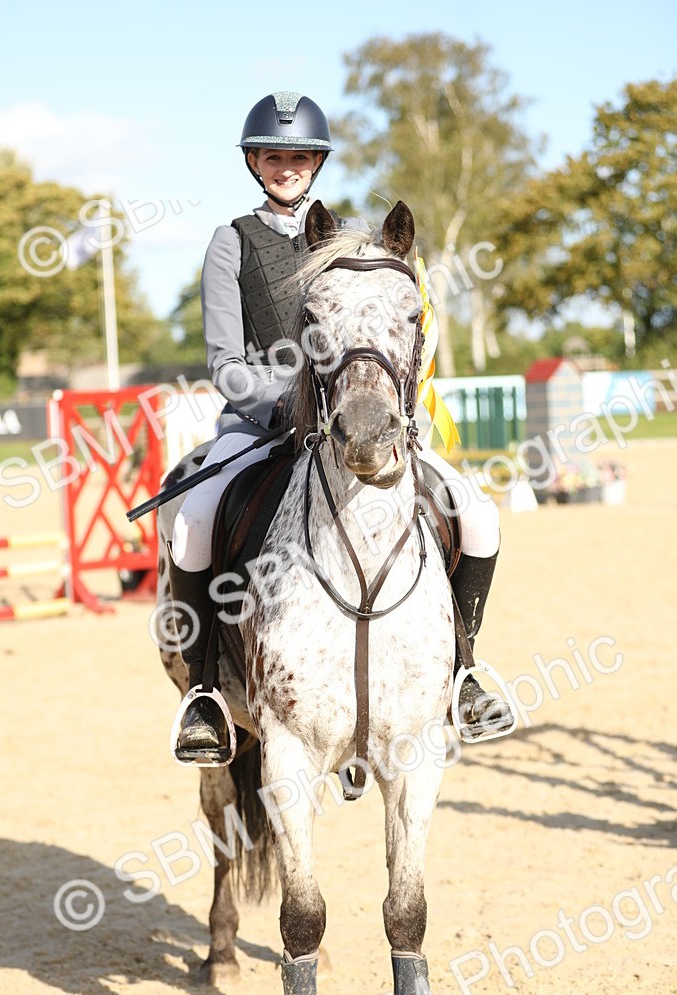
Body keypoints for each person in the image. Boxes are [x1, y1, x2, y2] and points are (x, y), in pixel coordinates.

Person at [168, 91, 514, 764]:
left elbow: (389, 335)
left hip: (360, 421)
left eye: (299, 156)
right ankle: (207, 691)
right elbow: (225, 363)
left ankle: (464, 669)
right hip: (260, 425)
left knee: (478, 515)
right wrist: (293, 402)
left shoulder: (355, 243)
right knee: (193, 521)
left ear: (317, 162)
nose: (287, 167)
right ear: (254, 162)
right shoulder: (229, 243)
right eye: (274, 156)